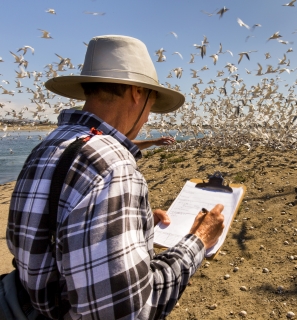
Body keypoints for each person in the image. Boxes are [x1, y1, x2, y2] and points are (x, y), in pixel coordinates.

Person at [7, 35, 225, 319]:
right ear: (137, 92)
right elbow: (128, 311)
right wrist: (198, 240)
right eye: (151, 102)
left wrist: (137, 222)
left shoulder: (46, 146)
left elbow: (54, 235)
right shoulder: (114, 168)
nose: (147, 116)